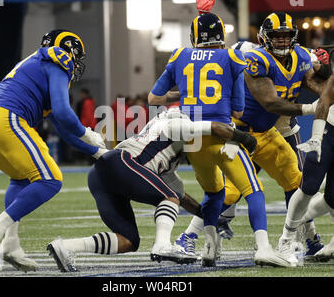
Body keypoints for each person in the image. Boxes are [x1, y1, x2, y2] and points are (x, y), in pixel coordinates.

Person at [174, 0, 332, 264]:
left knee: (299, 182)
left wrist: (327, 75)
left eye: (286, 36)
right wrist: (313, 107)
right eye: (277, 37)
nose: (282, 41)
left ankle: (309, 240)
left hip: (268, 131)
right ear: (263, 38)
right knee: (231, 191)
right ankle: (187, 237)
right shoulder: (252, 57)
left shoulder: (300, 56)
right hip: (237, 133)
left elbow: (318, 78)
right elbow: (270, 101)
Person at [148, 12, 294, 267]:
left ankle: (209, 247)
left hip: (193, 141)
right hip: (223, 136)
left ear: (194, 36)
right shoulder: (232, 57)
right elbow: (238, 111)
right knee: (253, 191)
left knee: (214, 193)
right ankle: (263, 248)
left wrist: (184, 94)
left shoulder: (179, 55)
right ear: (221, 36)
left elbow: (153, 99)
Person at [46, 107, 258, 272]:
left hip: (102, 175)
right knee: (168, 197)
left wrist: (213, 219)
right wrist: (243, 137)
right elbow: (213, 127)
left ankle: (66, 247)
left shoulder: (165, 159)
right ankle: (162, 245)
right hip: (121, 162)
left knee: (128, 241)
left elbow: (184, 200)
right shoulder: (175, 125)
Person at [0, 29, 107, 272]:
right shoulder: (58, 59)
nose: (76, 64)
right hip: (6, 119)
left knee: (23, 178)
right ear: (70, 51)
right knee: (51, 180)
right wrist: (87, 132)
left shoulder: (38, 64)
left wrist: (95, 152)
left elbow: (64, 128)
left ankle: (10, 244)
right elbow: (66, 115)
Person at [278, 74, 334, 261]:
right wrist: (317, 137)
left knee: (332, 199)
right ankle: (286, 239)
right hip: (330, 130)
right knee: (309, 185)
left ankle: (302, 225)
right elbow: (324, 100)